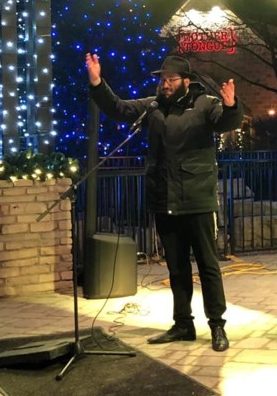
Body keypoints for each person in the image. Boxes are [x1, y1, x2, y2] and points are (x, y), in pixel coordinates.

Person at [85, 52, 243, 352]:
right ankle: (183, 324)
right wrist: (97, 82)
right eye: (162, 79)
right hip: (164, 200)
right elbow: (119, 108)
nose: (165, 84)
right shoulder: (154, 107)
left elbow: (225, 122)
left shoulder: (205, 104)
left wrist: (233, 105)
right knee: (176, 267)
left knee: (208, 266)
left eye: (170, 80)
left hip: (197, 200)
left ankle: (217, 326)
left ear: (186, 81)